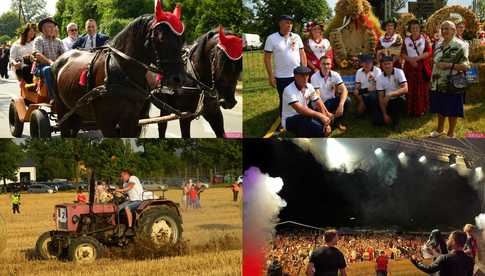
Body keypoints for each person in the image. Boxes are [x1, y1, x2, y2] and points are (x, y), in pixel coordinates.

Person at [429, 21, 470, 138]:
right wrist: (432, 80)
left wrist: (449, 65)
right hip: (437, 82)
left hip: (452, 83)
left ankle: (451, 133)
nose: (445, 31)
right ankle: (440, 129)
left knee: (453, 109)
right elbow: (435, 62)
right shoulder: (438, 44)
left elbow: (466, 66)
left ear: (454, 30)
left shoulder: (461, 45)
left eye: (448, 28)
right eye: (443, 29)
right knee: (439, 107)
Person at [264, 15, 307, 117]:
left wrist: (304, 71)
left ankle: (300, 116)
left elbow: (302, 54)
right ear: (280, 24)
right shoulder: (271, 38)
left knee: (300, 96)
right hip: (282, 77)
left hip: (298, 75)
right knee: (285, 100)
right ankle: (284, 122)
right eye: (287, 22)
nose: (289, 25)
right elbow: (267, 58)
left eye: (291, 23)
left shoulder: (296, 37)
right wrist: (271, 76)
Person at [282, 66, 331, 137]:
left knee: (321, 126)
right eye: (302, 76)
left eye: (307, 75)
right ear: (295, 77)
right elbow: (300, 110)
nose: (305, 79)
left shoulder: (309, 86)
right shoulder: (288, 90)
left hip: (304, 116)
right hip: (289, 120)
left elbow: (319, 103)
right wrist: (320, 116)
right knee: (311, 124)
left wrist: (326, 123)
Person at [310, 55, 350, 132]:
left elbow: (344, 89)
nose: (326, 66)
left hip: (330, 101)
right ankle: (328, 122)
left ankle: (337, 122)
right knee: (319, 129)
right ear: (319, 65)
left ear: (331, 65)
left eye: (328, 64)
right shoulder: (314, 77)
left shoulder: (335, 74)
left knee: (347, 100)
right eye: (323, 64)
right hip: (319, 104)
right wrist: (326, 112)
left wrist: (341, 105)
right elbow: (317, 97)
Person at [402, 19, 432, 117]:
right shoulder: (406, 40)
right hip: (409, 68)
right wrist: (410, 60)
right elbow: (402, 53)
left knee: (421, 89)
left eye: (416, 27)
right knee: (410, 88)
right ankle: (410, 110)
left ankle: (420, 109)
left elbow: (428, 52)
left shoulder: (425, 38)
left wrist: (417, 58)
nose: (415, 29)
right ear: (410, 29)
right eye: (413, 28)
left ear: (419, 28)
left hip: (421, 67)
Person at [33, 17, 65, 103]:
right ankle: (53, 97)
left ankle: (67, 94)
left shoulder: (59, 41)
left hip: (57, 65)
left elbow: (64, 55)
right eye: (49, 27)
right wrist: (50, 62)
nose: (52, 29)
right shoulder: (39, 40)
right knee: (48, 70)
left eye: (53, 27)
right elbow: (37, 55)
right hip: (41, 67)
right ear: (43, 29)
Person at [376, 55, 408, 131]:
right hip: (386, 101)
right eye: (385, 64)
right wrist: (384, 114)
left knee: (397, 103)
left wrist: (390, 94)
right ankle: (388, 115)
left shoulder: (399, 72)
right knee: (377, 121)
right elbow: (380, 97)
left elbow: (405, 89)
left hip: (398, 98)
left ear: (392, 64)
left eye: (389, 63)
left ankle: (396, 123)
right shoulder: (379, 77)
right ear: (381, 65)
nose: (387, 66)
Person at [354, 54, 382, 123]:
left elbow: (376, 86)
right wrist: (361, 101)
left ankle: (374, 113)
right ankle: (363, 105)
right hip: (364, 93)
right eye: (364, 62)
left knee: (372, 95)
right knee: (355, 92)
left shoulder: (377, 70)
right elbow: (357, 87)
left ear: (372, 63)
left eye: (369, 62)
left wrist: (363, 91)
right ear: (361, 63)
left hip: (375, 93)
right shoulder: (359, 71)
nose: (367, 64)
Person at [115, 169, 143, 234]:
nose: (121, 178)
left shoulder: (133, 178)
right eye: (121, 176)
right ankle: (115, 224)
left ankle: (130, 228)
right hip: (130, 200)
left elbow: (130, 187)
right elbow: (125, 192)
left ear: (127, 174)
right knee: (117, 208)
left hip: (138, 200)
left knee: (127, 207)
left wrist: (119, 190)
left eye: (122, 176)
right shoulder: (125, 183)